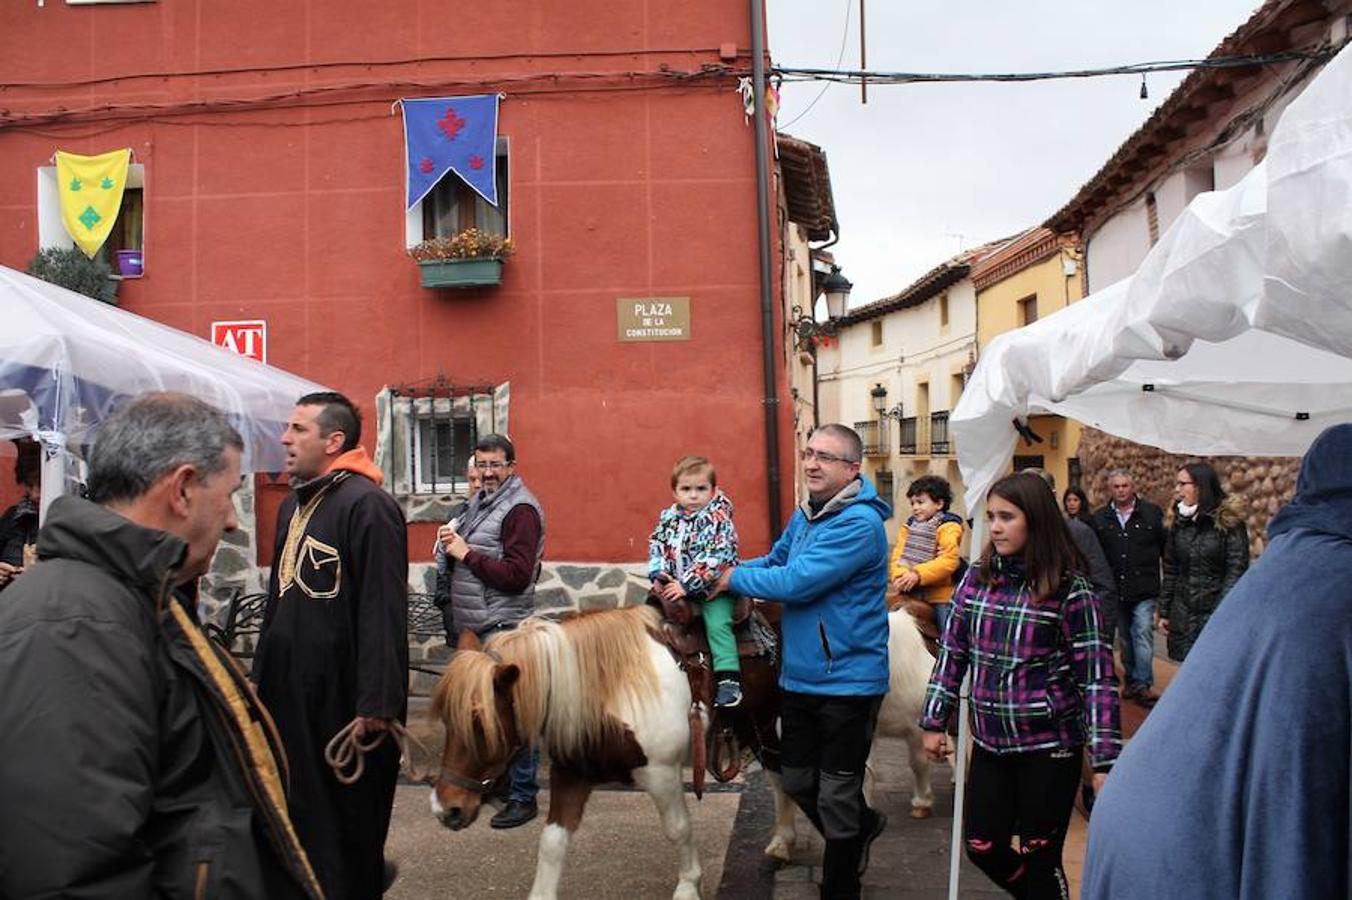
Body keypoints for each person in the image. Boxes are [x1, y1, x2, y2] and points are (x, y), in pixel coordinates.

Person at [0, 392, 322, 899]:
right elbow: (72, 874)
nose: (235, 520)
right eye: (232, 494)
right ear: (183, 489)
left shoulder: (136, 598)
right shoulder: (73, 627)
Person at [1083, 425, 1352, 900]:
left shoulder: (1281, 554)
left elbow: (1232, 569)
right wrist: (1169, 603)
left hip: (1144, 839)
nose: (1180, 489)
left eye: (1187, 483)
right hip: (1185, 860)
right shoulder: (1331, 576)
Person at [921, 472, 1121, 900]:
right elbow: (952, 653)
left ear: (1036, 521)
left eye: (1007, 517)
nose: (994, 526)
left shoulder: (1071, 590)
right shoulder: (976, 580)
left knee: (1040, 857)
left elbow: (1097, 679)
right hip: (992, 745)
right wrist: (933, 720)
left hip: (1050, 749)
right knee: (982, 846)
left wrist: (1104, 760)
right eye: (990, 516)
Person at [715, 423, 890, 900]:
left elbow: (797, 582)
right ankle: (862, 825)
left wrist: (733, 581)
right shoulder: (809, 514)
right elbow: (775, 562)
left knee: (835, 795)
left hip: (849, 683)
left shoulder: (860, 525)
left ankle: (840, 886)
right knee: (795, 778)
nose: (811, 463)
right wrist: (713, 574)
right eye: (809, 453)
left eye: (825, 457)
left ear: (852, 469)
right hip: (801, 676)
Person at [254, 392, 408, 900]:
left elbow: (382, 609)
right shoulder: (291, 506)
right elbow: (278, 597)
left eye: (298, 429)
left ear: (333, 440)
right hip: (289, 696)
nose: (285, 438)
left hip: (343, 703)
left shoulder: (369, 506)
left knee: (347, 825)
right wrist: (259, 679)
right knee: (299, 815)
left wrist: (377, 703)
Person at [436, 432, 546, 829]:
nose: (486, 473)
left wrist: (466, 553)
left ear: (511, 466)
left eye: (495, 465)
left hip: (504, 626)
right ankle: (499, 784)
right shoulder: (483, 503)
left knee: (518, 714)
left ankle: (523, 796)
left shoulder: (520, 510)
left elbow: (517, 576)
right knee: (488, 715)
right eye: (481, 465)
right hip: (478, 623)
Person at [647, 454, 743, 707]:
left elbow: (714, 557)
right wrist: (659, 572)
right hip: (677, 585)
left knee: (718, 623)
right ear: (675, 492)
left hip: (714, 588)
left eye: (701, 489)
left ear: (713, 490)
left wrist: (687, 584)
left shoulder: (718, 519)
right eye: (686, 489)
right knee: (649, 616)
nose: (693, 495)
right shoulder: (669, 518)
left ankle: (728, 679)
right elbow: (657, 544)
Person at [1090, 469, 1166, 704]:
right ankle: (1132, 679)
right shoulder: (1101, 519)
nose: (1121, 490)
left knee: (1142, 632)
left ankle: (1143, 683)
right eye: (1116, 486)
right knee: (1124, 638)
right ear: (1110, 489)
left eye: (1125, 486)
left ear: (1133, 487)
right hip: (1116, 589)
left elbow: (1165, 549)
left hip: (1144, 587)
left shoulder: (1151, 515)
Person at [1159, 462, 1248, 662]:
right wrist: (1164, 611)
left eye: (1183, 484)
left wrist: (1221, 611)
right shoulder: (1179, 521)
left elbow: (1236, 569)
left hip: (1215, 612)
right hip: (1183, 612)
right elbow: (1171, 568)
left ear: (1200, 486)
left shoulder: (1228, 522)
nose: (1178, 490)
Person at [887, 474, 965, 637]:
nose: (915, 507)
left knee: (949, 633)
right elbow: (897, 556)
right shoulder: (908, 527)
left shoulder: (948, 526)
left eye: (920, 502)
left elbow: (949, 560)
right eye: (913, 503)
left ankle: (951, 657)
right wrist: (901, 576)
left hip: (939, 595)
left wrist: (917, 574)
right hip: (910, 591)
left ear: (939, 503)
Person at [433, 454, 481, 633]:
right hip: (457, 612)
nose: (476, 485)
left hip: (487, 612)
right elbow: (443, 567)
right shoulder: (457, 513)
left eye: (480, 479)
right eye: (472, 479)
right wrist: (445, 602)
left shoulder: (506, 512)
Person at [0, 439, 40, 590]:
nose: (35, 494)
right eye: (29, 485)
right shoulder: (12, 516)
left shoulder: (70, 522)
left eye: (41, 484)